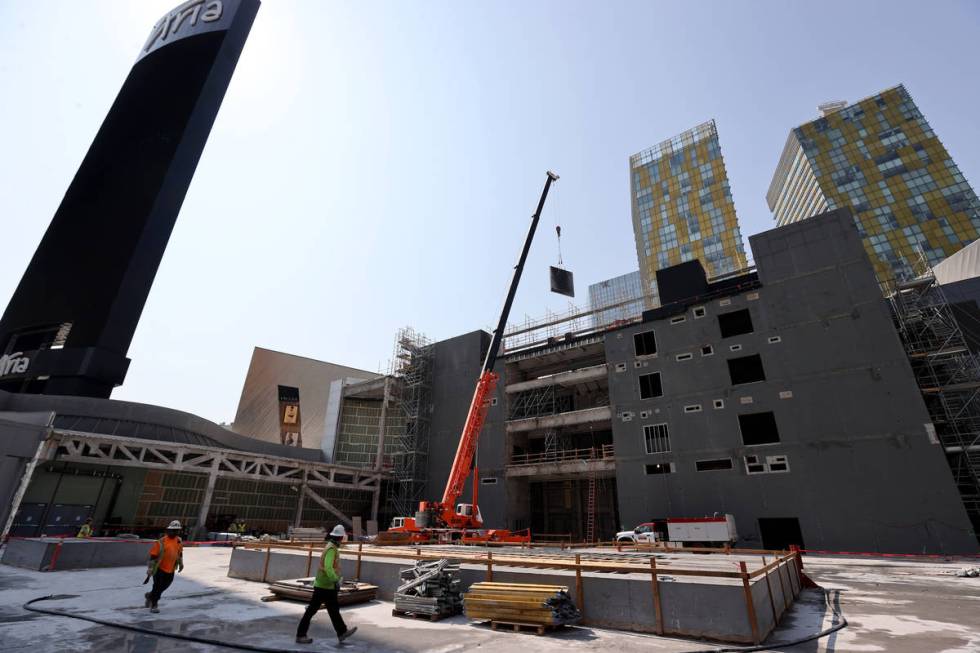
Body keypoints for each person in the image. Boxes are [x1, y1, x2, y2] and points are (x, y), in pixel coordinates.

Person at [296, 524, 357, 645]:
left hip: (327, 586)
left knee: (333, 610)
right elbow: (328, 568)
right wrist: (335, 580)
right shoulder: (331, 549)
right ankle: (300, 635)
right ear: (339, 538)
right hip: (324, 586)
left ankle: (342, 632)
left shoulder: (331, 547)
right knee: (312, 611)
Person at [145, 520, 184, 613]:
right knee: (157, 586)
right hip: (159, 568)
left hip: (170, 569)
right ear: (168, 530)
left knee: (165, 585)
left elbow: (180, 552)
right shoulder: (161, 542)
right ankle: (154, 604)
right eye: (173, 530)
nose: (175, 532)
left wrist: (181, 563)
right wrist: (150, 568)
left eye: (177, 530)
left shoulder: (178, 540)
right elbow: (153, 556)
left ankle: (150, 596)